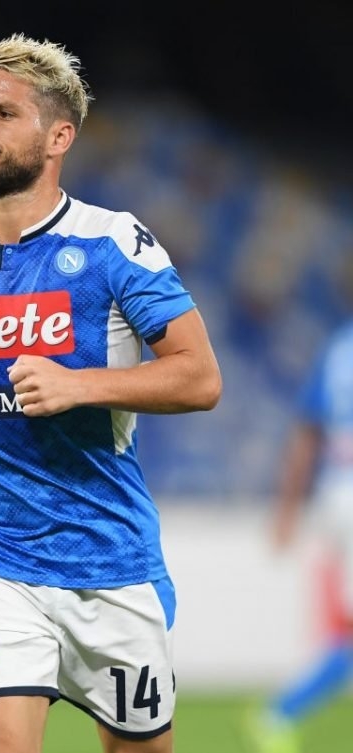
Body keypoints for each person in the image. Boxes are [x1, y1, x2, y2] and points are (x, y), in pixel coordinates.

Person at [0, 33, 223, 753]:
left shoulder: (112, 244)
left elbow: (200, 376)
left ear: (58, 136)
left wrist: (79, 385)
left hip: (110, 562)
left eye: (3, 113)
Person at [244, 257, 353, 753]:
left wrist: (287, 508)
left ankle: (280, 712)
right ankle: (279, 713)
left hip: (336, 491)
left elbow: (306, 435)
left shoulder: (337, 350)